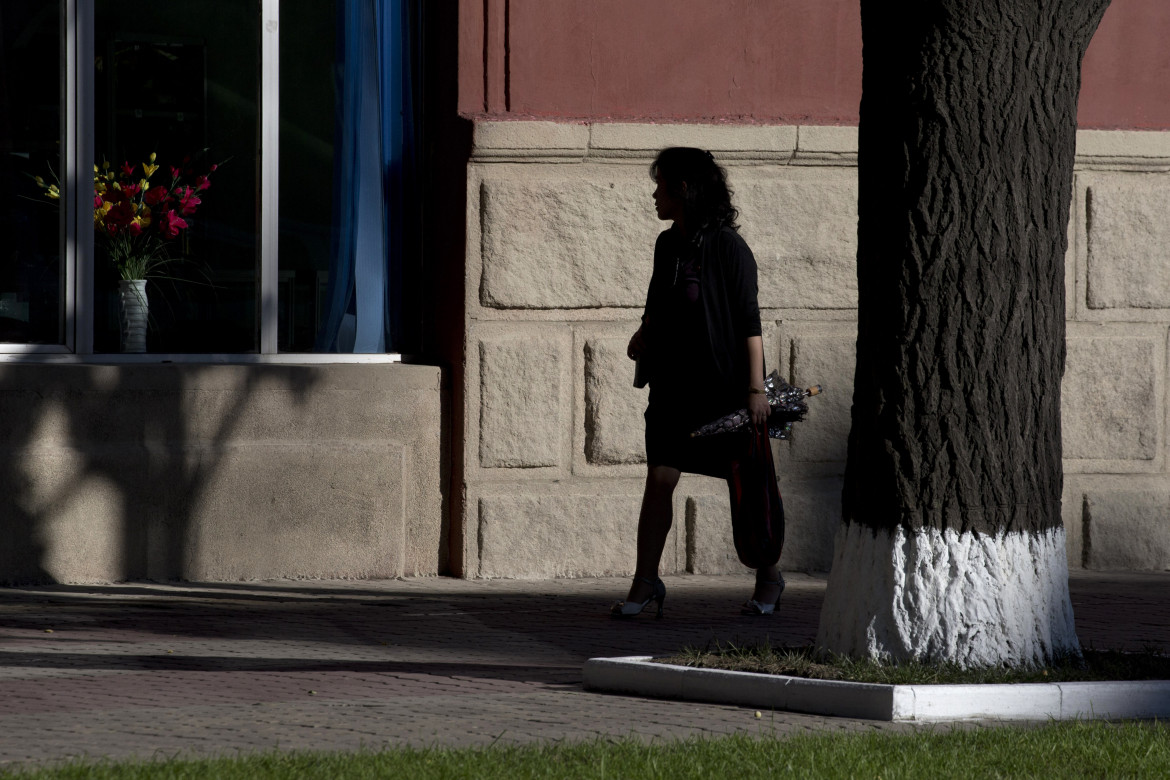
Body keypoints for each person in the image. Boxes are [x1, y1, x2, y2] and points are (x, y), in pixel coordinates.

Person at [611, 147, 783, 619]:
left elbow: (751, 324)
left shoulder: (729, 247)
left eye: (660, 184)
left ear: (683, 188)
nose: (654, 194)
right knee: (659, 479)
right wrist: (641, 336)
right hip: (672, 389)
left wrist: (755, 392)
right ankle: (645, 582)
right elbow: (657, 305)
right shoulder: (667, 245)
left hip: (722, 390)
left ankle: (768, 575)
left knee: (743, 482)